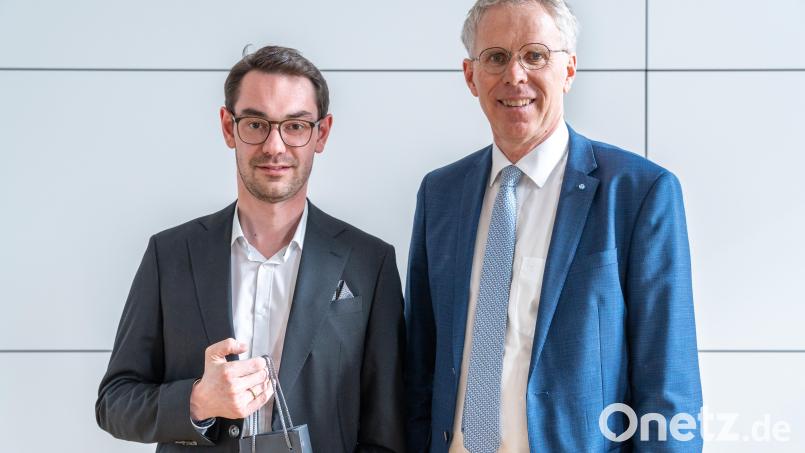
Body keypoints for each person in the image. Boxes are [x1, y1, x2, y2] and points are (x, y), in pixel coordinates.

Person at [404, 1, 703, 451]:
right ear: (471, 76)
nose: (515, 76)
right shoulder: (439, 194)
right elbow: (419, 367)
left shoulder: (639, 194)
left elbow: (669, 389)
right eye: (497, 57)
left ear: (568, 70)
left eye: (535, 55)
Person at [96, 45, 406, 453]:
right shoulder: (170, 254)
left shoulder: (371, 263)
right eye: (257, 124)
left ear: (321, 133)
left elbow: (388, 432)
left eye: (295, 125)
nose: (275, 146)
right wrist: (197, 400)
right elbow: (114, 401)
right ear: (229, 127)